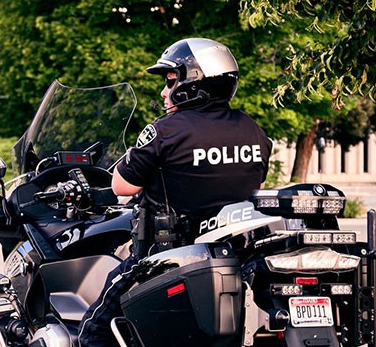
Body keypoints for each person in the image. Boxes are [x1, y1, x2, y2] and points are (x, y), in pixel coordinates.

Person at [77, 38, 273, 346]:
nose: (163, 92)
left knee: (94, 330)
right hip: (235, 256)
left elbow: (122, 186)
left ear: (192, 83)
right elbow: (255, 187)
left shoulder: (165, 130)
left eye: (170, 82)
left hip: (168, 255)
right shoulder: (252, 129)